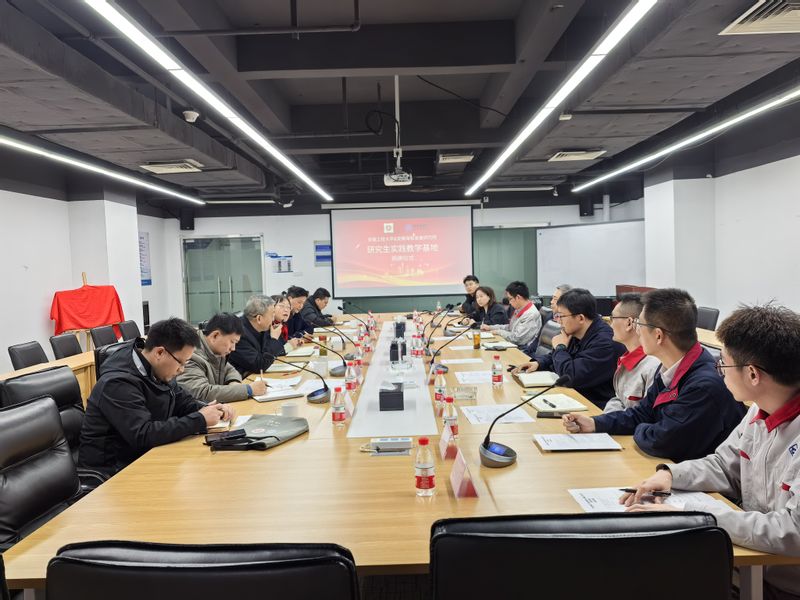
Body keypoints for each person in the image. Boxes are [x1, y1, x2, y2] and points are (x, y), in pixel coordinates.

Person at [622, 304, 800, 599]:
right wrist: (670, 475)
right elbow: (724, 465)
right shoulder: (759, 410)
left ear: (752, 374)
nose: (719, 373)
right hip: (750, 567)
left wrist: (696, 516)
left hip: (786, 585)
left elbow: (792, 531)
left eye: (723, 365)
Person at [562, 288, 746, 461]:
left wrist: (646, 427)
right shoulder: (669, 368)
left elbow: (662, 441)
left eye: (640, 324)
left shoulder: (703, 386)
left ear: (658, 335)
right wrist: (594, 423)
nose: (637, 330)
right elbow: (641, 414)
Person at [79, 318, 234, 479]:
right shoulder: (118, 383)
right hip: (113, 473)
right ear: (160, 353)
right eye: (181, 363)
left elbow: (181, 401)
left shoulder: (158, 369)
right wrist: (200, 419)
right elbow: (143, 434)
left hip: (145, 458)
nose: (182, 370)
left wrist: (211, 409)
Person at [513, 288, 624, 408]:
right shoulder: (577, 331)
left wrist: (560, 347)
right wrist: (539, 363)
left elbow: (570, 377)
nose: (558, 321)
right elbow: (561, 356)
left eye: (561, 316)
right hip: (573, 397)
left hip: (593, 405)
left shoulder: (605, 342)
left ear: (580, 318)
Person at [177, 313, 267, 403]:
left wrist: (234, 382)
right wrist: (248, 390)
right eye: (232, 342)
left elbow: (229, 369)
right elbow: (203, 393)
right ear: (215, 335)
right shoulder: (190, 356)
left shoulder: (215, 350)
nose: (233, 348)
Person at [603, 293, 660, 413]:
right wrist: (605, 419)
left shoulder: (654, 367)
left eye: (613, 318)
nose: (610, 325)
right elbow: (619, 399)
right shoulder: (626, 358)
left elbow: (648, 415)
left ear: (629, 323)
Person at [228, 295, 281, 377]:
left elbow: (274, 352)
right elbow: (259, 366)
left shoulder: (263, 328)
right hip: (242, 380)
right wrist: (274, 339)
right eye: (272, 315)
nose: (273, 319)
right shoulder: (238, 333)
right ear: (259, 318)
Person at [481, 281, 541, 347]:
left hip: (522, 349)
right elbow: (510, 327)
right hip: (514, 345)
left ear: (518, 297)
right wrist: (490, 327)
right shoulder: (519, 309)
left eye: (510, 299)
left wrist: (498, 332)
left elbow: (517, 339)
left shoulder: (531, 314)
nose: (509, 302)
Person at [523, 284, 571, 358]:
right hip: (538, 359)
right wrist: (525, 354)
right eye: (552, 298)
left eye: (555, 299)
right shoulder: (549, 317)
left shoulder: (569, 325)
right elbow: (537, 340)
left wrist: (535, 360)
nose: (551, 302)